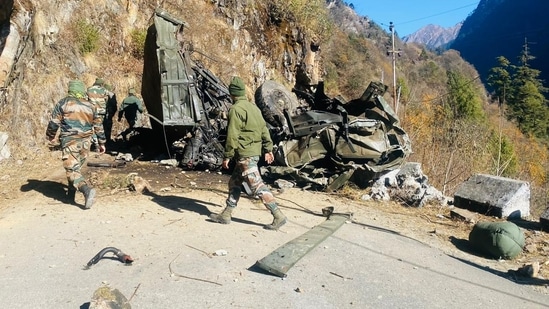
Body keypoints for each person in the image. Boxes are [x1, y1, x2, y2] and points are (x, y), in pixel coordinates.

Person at [209, 76, 287, 230]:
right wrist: (268, 149)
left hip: (245, 155)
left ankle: (278, 215)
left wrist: (227, 156)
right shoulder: (254, 108)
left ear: (232, 94)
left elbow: (232, 135)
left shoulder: (235, 109)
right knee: (234, 183)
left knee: (257, 186)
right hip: (253, 154)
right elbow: (264, 130)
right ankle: (226, 214)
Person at [46, 80, 106, 209]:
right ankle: (70, 195)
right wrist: (102, 142)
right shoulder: (90, 106)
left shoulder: (63, 103)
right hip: (86, 142)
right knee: (75, 168)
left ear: (70, 90)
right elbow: (98, 126)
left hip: (70, 141)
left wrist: (50, 137)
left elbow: (54, 122)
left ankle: (86, 190)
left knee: (72, 170)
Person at [87, 78, 109, 149]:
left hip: (91, 111)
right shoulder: (104, 90)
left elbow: (85, 99)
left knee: (91, 127)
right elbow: (106, 100)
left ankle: (95, 142)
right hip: (101, 111)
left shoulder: (89, 89)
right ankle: (100, 144)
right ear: (101, 84)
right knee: (99, 127)